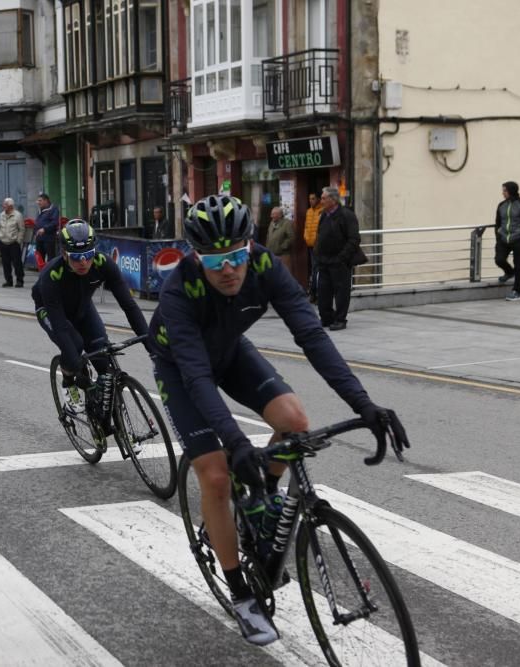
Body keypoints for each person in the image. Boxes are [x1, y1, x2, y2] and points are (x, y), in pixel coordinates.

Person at [149, 194, 409, 646]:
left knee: (295, 420)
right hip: (182, 367)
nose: (228, 269)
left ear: (250, 247)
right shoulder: (179, 290)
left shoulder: (265, 266)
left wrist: (363, 405)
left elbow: (311, 334)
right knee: (214, 476)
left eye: (236, 255)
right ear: (196, 256)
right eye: (215, 259)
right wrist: (235, 440)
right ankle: (241, 595)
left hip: (229, 352)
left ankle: (261, 498)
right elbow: (195, 376)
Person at [32, 220, 149, 421]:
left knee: (104, 364)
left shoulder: (104, 264)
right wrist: (75, 365)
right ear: (65, 254)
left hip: (83, 308)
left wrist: (150, 343)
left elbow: (129, 305)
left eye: (88, 255)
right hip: (51, 312)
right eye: (77, 257)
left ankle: (119, 426)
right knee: (74, 345)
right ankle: (68, 382)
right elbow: (60, 326)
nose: (84, 262)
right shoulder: (51, 275)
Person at [313, 187, 360, 331]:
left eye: (323, 198)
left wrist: (342, 257)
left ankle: (340, 319)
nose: (321, 201)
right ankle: (326, 318)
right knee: (323, 292)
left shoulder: (346, 215)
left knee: (341, 292)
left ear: (333, 200)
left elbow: (354, 239)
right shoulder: (324, 215)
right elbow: (320, 235)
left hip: (339, 261)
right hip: (323, 261)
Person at [479, 181, 520, 301]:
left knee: (519, 266)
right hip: (503, 239)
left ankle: (516, 291)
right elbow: (498, 222)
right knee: (499, 260)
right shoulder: (501, 205)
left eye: (504, 190)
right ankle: (509, 272)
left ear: (511, 191)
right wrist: (498, 237)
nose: (502, 193)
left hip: (518, 239)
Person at [0, 198, 26, 288]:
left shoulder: (18, 215)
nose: (3, 206)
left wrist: (18, 241)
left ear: (10, 206)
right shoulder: (1, 215)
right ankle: (8, 280)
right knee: (5, 263)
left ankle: (19, 280)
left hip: (14, 242)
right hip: (3, 242)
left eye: (5, 204)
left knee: (17, 262)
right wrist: (0, 237)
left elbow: (21, 229)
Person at [302, 193, 322, 301]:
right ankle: (313, 292)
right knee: (314, 268)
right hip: (310, 245)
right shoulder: (308, 212)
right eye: (310, 199)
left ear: (318, 199)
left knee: (316, 269)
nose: (311, 201)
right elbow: (306, 226)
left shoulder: (321, 211)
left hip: (318, 245)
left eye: (313, 199)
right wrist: (306, 237)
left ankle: (315, 293)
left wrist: (317, 241)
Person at [33, 193, 60, 267]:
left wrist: (44, 229)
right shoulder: (40, 210)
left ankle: (51, 273)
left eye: (40, 200)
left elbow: (54, 222)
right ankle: (42, 274)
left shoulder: (53, 209)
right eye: (38, 201)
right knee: (40, 258)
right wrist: (35, 232)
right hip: (39, 238)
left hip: (48, 239)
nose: (38, 202)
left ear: (46, 201)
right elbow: (37, 222)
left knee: (51, 258)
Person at [264, 206, 294, 271]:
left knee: (284, 273)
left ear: (280, 215)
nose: (271, 216)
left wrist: (283, 246)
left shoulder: (287, 223)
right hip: (272, 255)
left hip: (283, 255)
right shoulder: (271, 223)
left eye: (273, 214)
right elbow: (268, 236)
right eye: (271, 214)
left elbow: (291, 237)